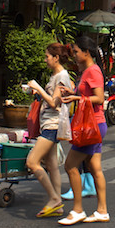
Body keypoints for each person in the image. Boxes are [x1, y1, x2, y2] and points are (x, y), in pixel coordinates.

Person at [58, 35, 109, 225]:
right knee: (95, 169)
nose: (75, 55)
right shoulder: (89, 71)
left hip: (91, 125)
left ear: (86, 53)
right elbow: (87, 94)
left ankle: (78, 209)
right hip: (95, 125)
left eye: (77, 52)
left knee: (70, 165)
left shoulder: (92, 71)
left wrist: (76, 99)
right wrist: (73, 94)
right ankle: (102, 210)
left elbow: (99, 98)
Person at [26, 42, 74, 218]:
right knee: (52, 165)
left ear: (56, 58)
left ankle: (54, 198)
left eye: (47, 56)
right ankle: (58, 205)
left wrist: (38, 87)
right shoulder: (56, 76)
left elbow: (55, 103)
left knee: (32, 162)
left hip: (52, 125)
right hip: (48, 123)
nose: (45, 60)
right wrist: (38, 94)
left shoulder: (61, 76)